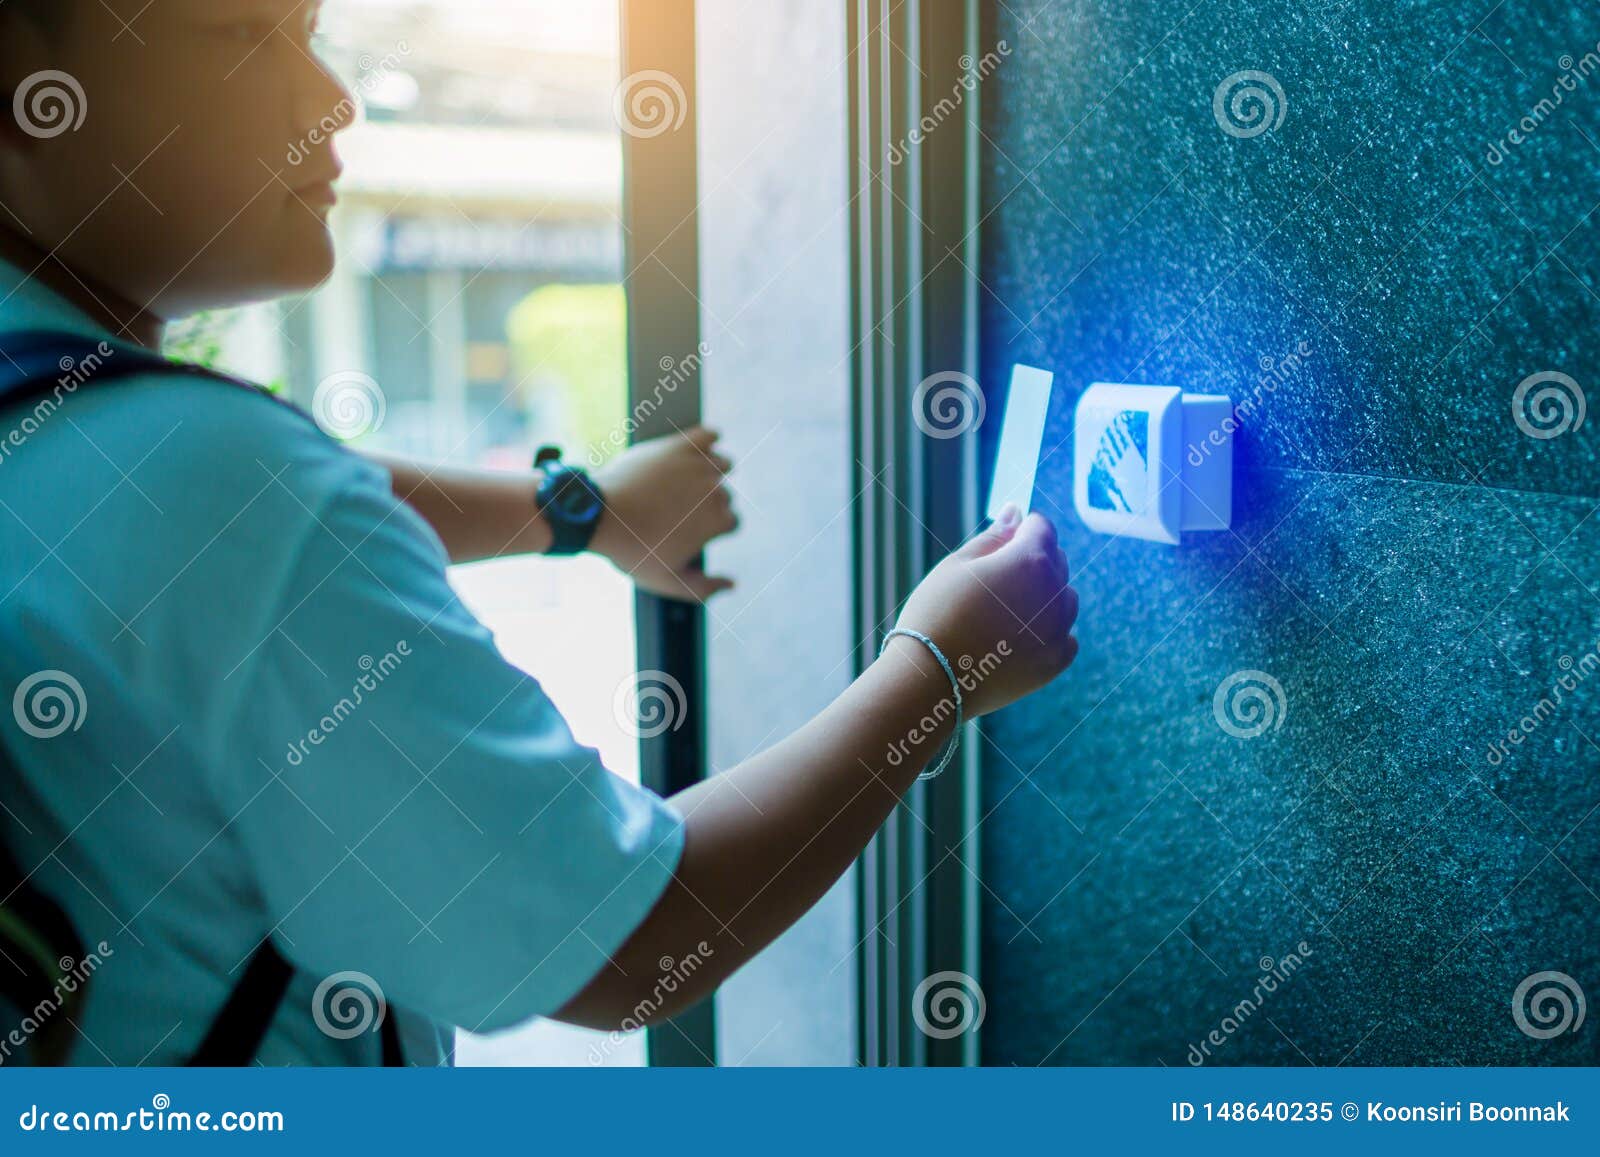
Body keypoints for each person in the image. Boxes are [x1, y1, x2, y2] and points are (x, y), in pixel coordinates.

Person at [0, 0, 1078, 1065]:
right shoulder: (217, 490)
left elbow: (161, 510)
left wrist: (584, 512)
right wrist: (936, 668)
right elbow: (631, 943)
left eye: (310, 31)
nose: (330, 102)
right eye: (243, 34)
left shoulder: (88, 443)